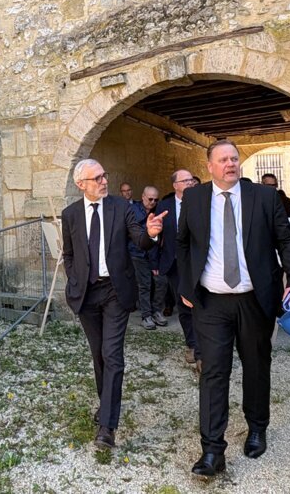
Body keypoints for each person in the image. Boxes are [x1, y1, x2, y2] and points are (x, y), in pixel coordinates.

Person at [177, 140, 290, 478]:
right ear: (209, 166)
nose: (230, 164)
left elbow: (287, 242)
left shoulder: (263, 198)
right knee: (213, 372)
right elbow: (181, 244)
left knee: (255, 367)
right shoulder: (193, 199)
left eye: (234, 158)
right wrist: (185, 285)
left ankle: (256, 428)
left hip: (255, 299)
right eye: (222, 160)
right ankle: (211, 450)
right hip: (210, 302)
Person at [62, 159, 165, 450]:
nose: (104, 181)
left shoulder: (122, 208)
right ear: (81, 184)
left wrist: (152, 234)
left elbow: (139, 239)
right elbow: (69, 254)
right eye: (97, 178)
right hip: (86, 295)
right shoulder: (69, 214)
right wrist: (74, 281)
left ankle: (108, 425)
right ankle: (105, 404)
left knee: (112, 354)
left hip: (115, 292)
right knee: (99, 355)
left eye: (104, 175)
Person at [155, 170, 201, 366]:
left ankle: (204, 346)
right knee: (183, 306)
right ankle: (191, 344)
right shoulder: (164, 206)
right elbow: (156, 236)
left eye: (191, 180)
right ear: (175, 185)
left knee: (201, 305)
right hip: (175, 264)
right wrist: (155, 262)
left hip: (199, 263)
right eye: (185, 181)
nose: (190, 183)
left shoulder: (203, 203)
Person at [130, 186, 168, 330]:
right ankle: (146, 315)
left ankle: (156, 311)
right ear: (143, 197)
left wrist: (155, 263)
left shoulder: (158, 210)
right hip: (137, 253)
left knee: (161, 281)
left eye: (156, 200)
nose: (152, 202)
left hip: (154, 254)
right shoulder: (133, 211)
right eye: (150, 199)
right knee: (144, 284)